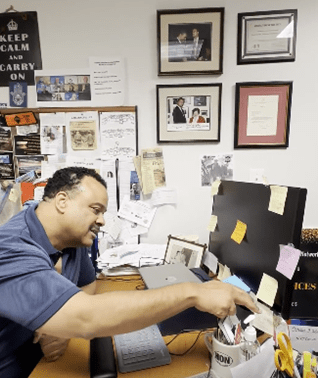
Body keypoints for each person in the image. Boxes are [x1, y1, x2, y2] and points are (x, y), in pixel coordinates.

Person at [0, 166, 260, 377]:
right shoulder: (10, 247)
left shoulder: (71, 238)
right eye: (95, 210)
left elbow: (87, 287)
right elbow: (87, 317)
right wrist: (192, 292)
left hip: (42, 359)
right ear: (62, 201)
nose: (102, 220)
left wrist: (57, 325)